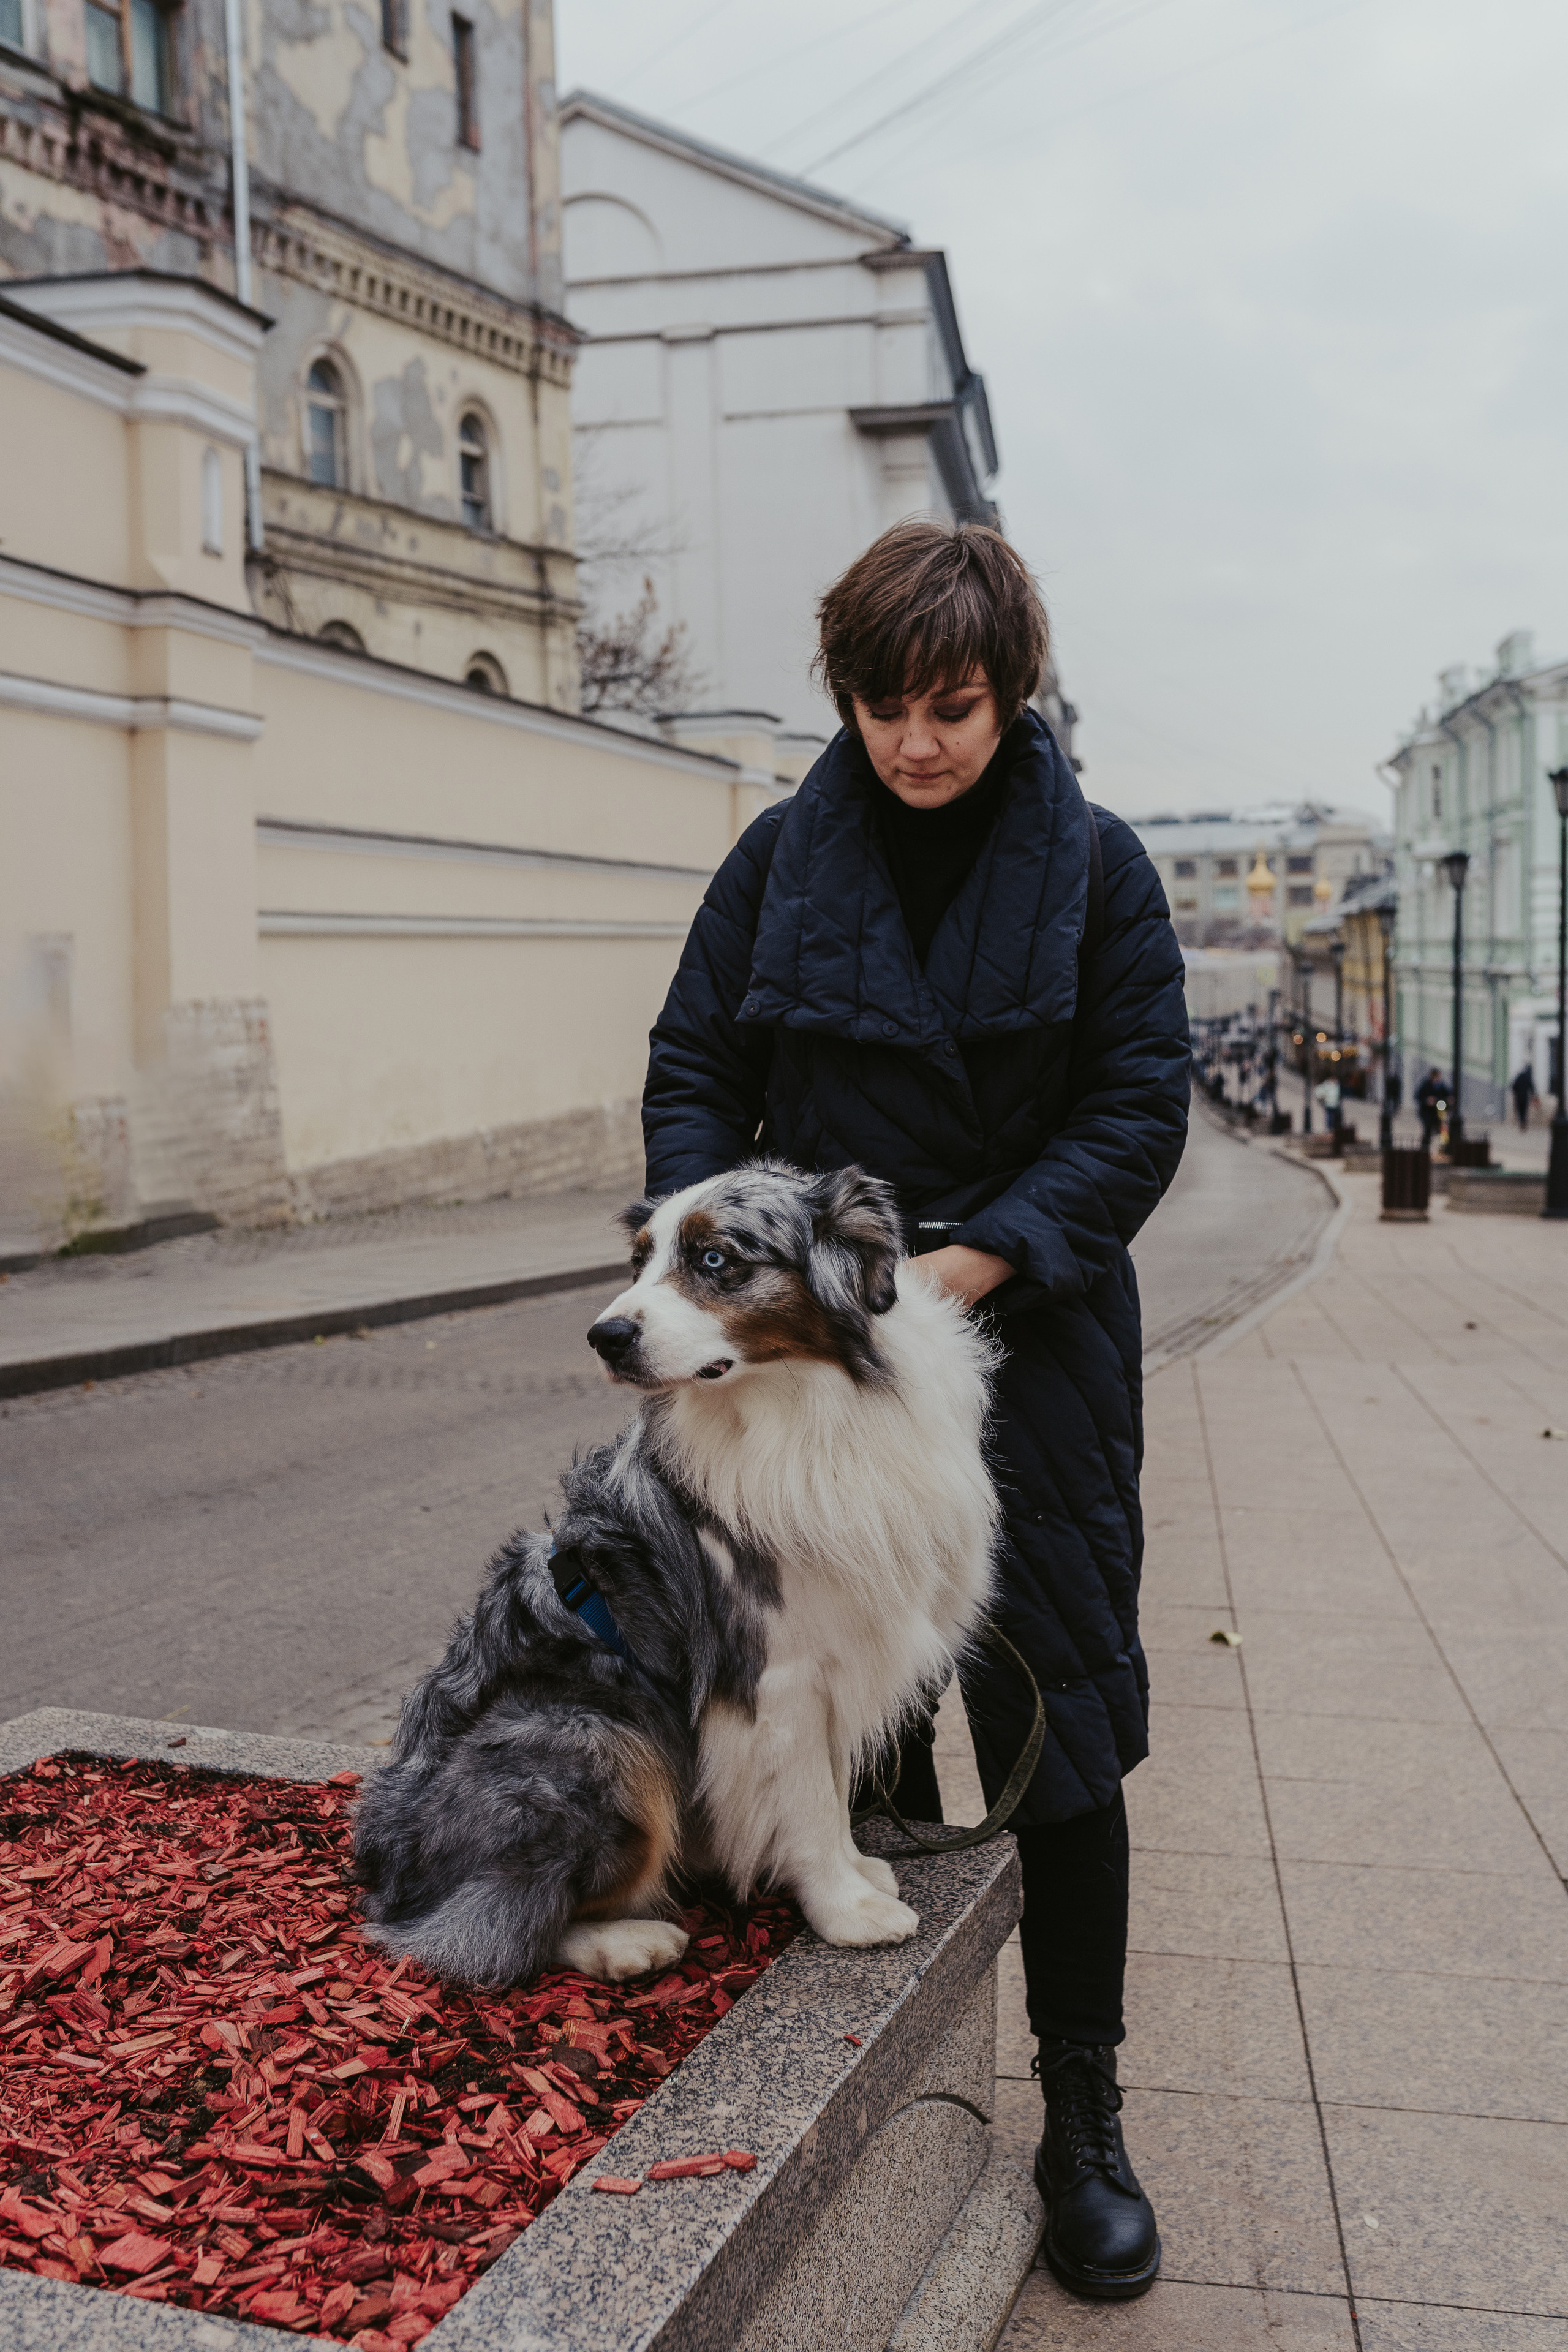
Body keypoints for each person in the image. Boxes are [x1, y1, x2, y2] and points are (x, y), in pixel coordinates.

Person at [639, 519, 1189, 2302]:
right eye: (882, 704)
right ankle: (853, 2103)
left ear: (1006, 686)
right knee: (837, 1719)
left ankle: (1083, 2118)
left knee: (1064, 1737)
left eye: (948, 703)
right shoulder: (776, 861)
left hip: (1022, 1360)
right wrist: (728, 1273)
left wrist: (962, 1267)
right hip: (810, 1384)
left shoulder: (1097, 868)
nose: (915, 739)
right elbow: (691, 1074)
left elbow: (1134, 1104)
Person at [1416, 1066, 1446, 1148]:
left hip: (1438, 1112)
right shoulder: (1426, 1085)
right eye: (1437, 1076)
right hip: (1427, 1113)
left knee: (1441, 1130)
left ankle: (1443, 1147)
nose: (1439, 1078)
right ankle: (1424, 1148)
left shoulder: (1441, 1086)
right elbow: (1418, 1096)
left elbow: (1447, 1095)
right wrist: (1427, 1100)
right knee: (1428, 1130)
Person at [1512, 1063, 1536, 1132]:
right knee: (1524, 1111)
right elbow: (1532, 1087)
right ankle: (1523, 1123)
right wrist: (1532, 1095)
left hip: (1519, 1097)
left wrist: (1516, 1092)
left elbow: (1514, 1086)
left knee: (1520, 1111)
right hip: (1525, 1097)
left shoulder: (1519, 1077)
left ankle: (1522, 1123)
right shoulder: (1528, 1078)